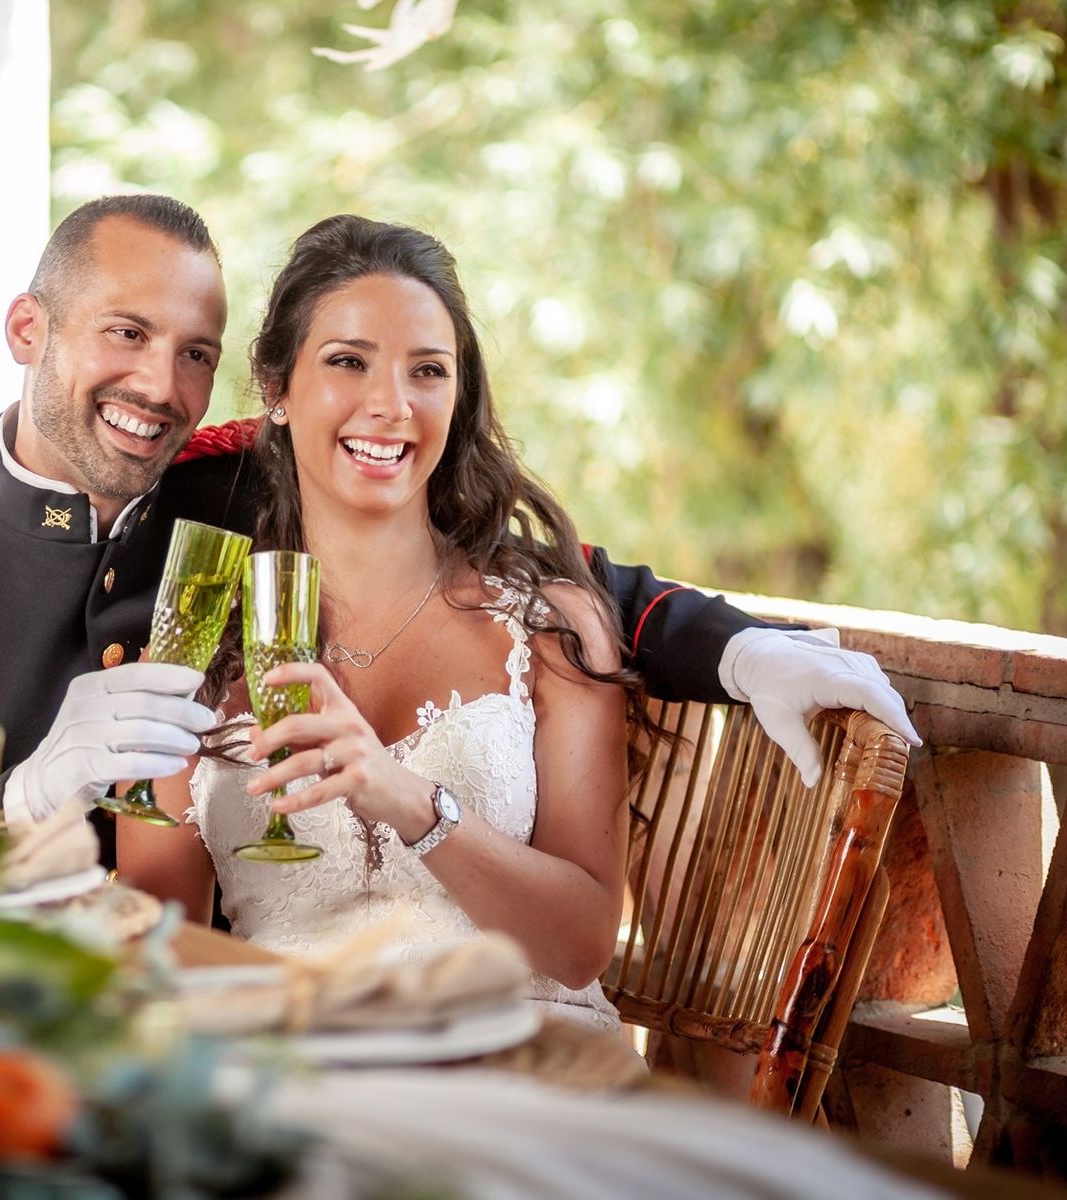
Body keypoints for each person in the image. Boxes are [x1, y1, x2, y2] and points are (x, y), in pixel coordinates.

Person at [0, 195, 917, 833]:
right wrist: (16, 797)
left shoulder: (232, 482)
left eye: (193, 354)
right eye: (123, 334)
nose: (162, 390)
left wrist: (747, 649)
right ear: (29, 329)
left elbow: (550, 580)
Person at [120, 216, 663, 1027]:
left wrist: (412, 803)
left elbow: (582, 945)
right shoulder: (200, 644)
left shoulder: (548, 626)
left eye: (428, 371)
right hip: (303, 1080)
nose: (392, 406)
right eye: (348, 362)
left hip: (524, 1065)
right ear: (276, 389)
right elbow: (156, 959)